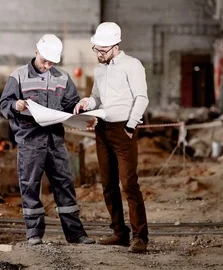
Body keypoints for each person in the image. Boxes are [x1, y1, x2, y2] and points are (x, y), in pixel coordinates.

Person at [0, 34, 95, 246]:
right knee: (30, 185)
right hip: (30, 140)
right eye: (45, 61)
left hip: (55, 141)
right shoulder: (19, 76)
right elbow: (4, 103)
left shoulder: (62, 77)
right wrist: (16, 105)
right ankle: (34, 233)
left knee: (65, 185)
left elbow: (71, 103)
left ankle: (75, 234)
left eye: (52, 62)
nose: (48, 65)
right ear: (36, 52)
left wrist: (81, 110)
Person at [73, 22, 149, 253]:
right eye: (96, 50)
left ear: (116, 46)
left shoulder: (132, 65)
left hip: (123, 129)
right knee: (108, 184)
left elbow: (142, 98)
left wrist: (130, 125)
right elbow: (97, 97)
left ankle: (140, 237)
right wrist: (87, 102)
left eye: (102, 51)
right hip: (103, 129)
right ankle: (119, 232)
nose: (98, 54)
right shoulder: (100, 69)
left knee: (129, 183)